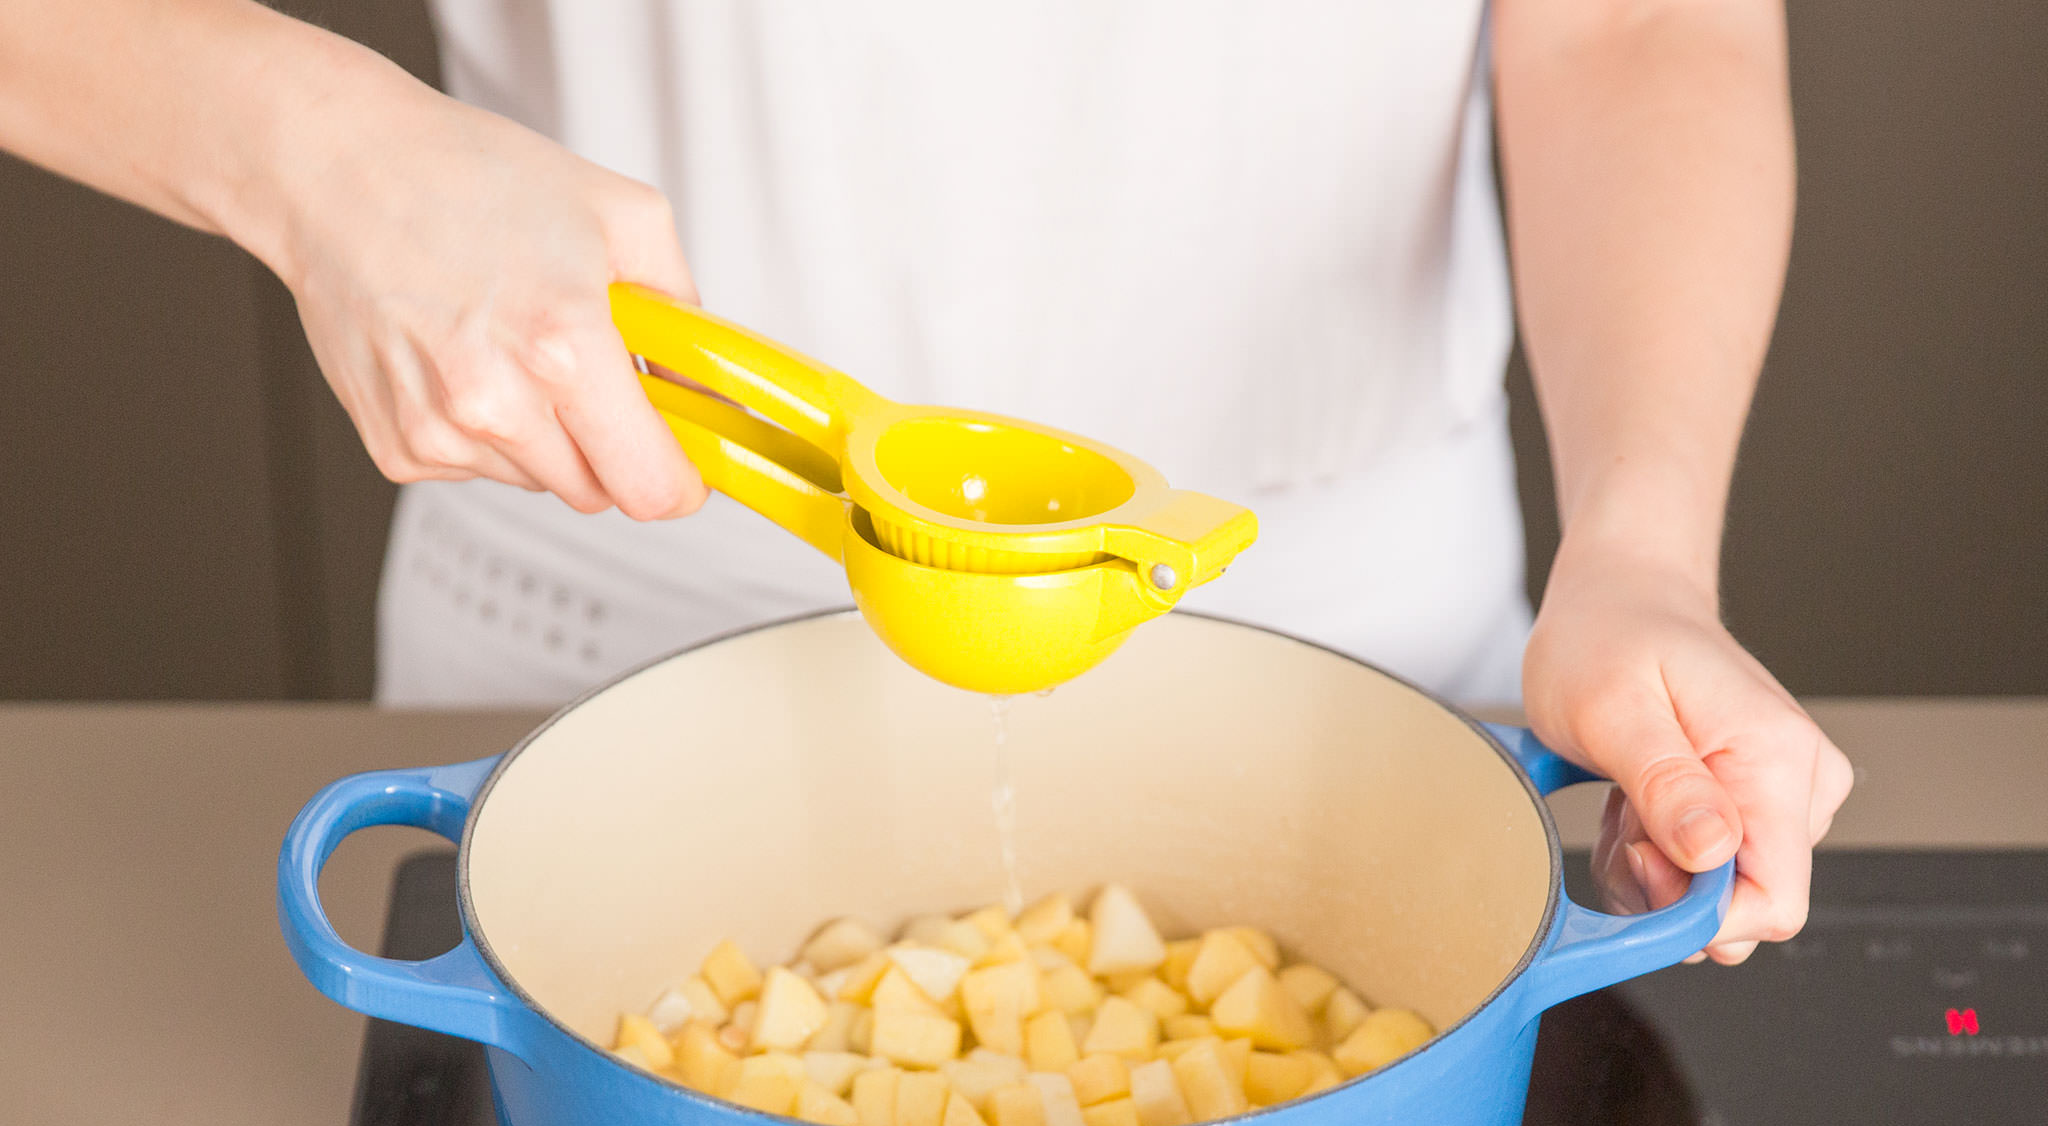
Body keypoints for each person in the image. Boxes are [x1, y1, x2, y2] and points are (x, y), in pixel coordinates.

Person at [0, 0, 1851, 962]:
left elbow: (1638, 26)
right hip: (589, 683)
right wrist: (313, 148)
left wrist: (1642, 555)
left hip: (1375, 679)